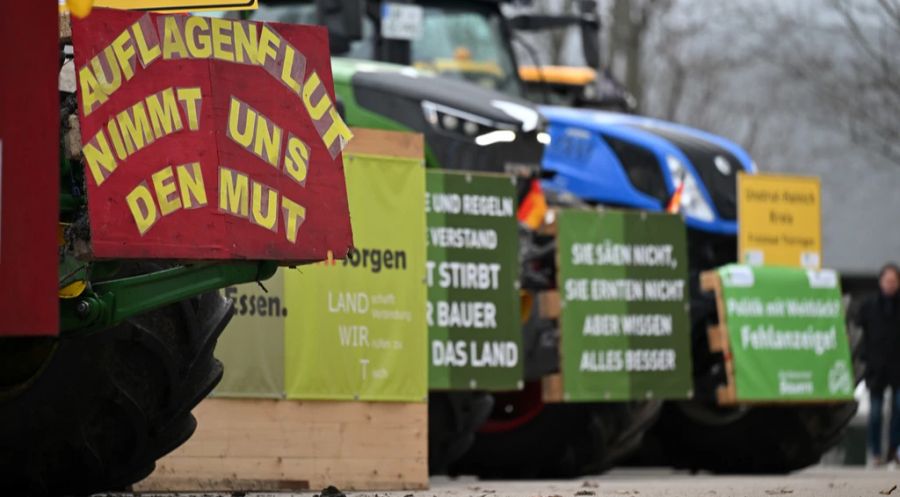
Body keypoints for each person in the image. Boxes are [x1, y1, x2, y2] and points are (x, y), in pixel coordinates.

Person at [856, 263, 900, 466]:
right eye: (887, 280)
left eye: (894, 280)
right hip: (876, 368)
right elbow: (858, 333)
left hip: (898, 367)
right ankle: (875, 453)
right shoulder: (868, 306)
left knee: (898, 409)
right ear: (881, 281)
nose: (890, 284)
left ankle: (893, 450)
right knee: (875, 413)